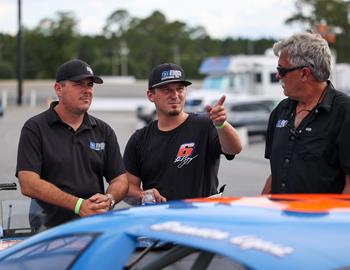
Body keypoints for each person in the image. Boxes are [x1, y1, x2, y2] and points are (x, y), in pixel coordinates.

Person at [16, 59, 129, 229]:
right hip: (48, 229)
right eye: (78, 84)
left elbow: (120, 180)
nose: (87, 91)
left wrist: (109, 199)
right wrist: (78, 205)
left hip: (93, 226)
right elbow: (28, 183)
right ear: (58, 89)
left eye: (90, 85)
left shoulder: (103, 130)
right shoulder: (35, 128)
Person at [123, 63, 242, 204]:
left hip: (201, 217)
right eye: (166, 90)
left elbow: (234, 148)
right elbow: (127, 188)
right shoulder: (139, 139)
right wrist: (143, 195)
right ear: (151, 95)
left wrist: (221, 124)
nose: (175, 95)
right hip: (159, 220)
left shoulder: (205, 125)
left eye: (180, 89)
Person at [262, 32, 350, 194]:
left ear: (304, 73)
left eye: (282, 70)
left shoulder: (344, 113)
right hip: (281, 216)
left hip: (322, 218)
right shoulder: (281, 111)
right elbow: (276, 174)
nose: (277, 76)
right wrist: (259, 210)